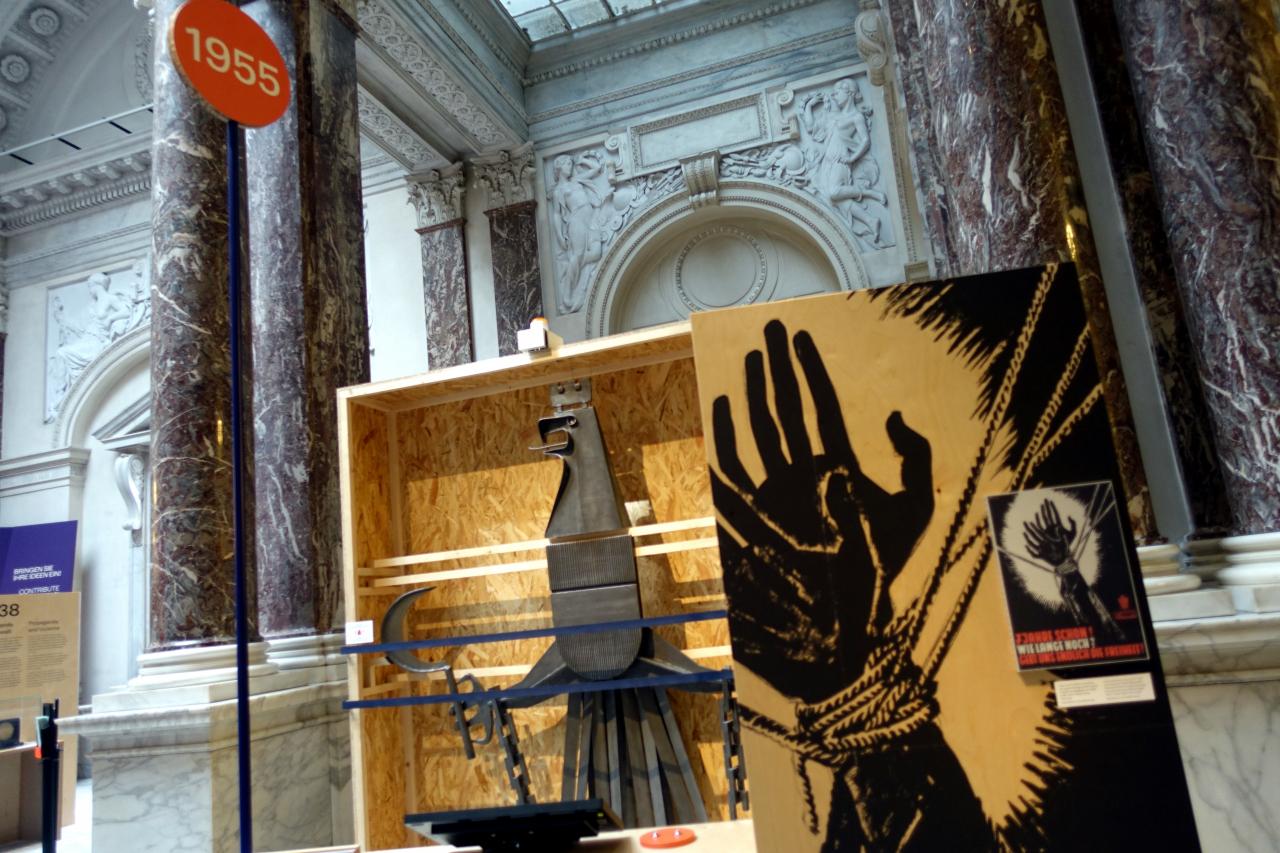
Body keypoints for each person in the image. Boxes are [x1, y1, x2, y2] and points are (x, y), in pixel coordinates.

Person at [800, 78, 889, 249]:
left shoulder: (856, 117)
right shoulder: (832, 116)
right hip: (826, 161)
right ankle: (870, 221)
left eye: (837, 92)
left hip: (841, 159)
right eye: (833, 93)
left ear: (849, 92)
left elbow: (865, 140)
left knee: (834, 192)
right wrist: (809, 107)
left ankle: (870, 193)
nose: (834, 96)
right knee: (833, 199)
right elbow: (811, 128)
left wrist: (852, 158)